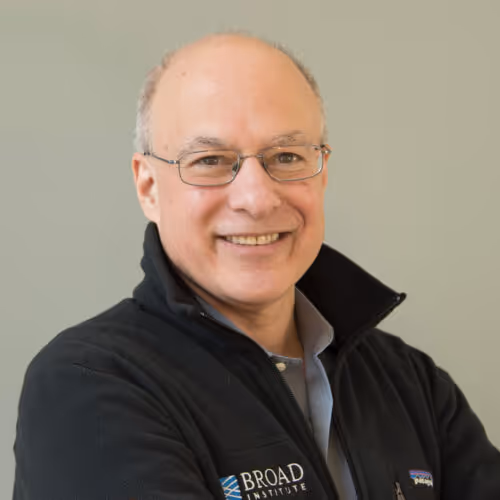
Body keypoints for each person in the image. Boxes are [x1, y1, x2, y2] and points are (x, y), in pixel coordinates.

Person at [12, 33, 500, 500]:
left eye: (286, 156)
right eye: (210, 160)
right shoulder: (88, 384)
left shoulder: (408, 381)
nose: (256, 198)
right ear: (148, 187)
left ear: (322, 173)